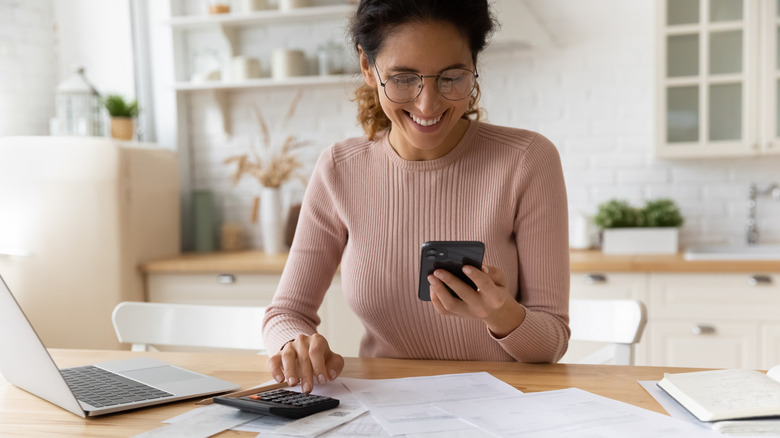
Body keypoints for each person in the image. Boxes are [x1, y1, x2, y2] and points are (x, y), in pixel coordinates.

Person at [262, 0, 570, 393]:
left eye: (451, 77)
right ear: (367, 68)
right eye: (404, 77)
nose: (428, 104)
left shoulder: (526, 160)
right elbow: (285, 313)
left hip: (502, 404)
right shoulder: (339, 169)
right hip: (385, 405)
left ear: (474, 66)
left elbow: (551, 342)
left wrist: (502, 313)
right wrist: (294, 344)